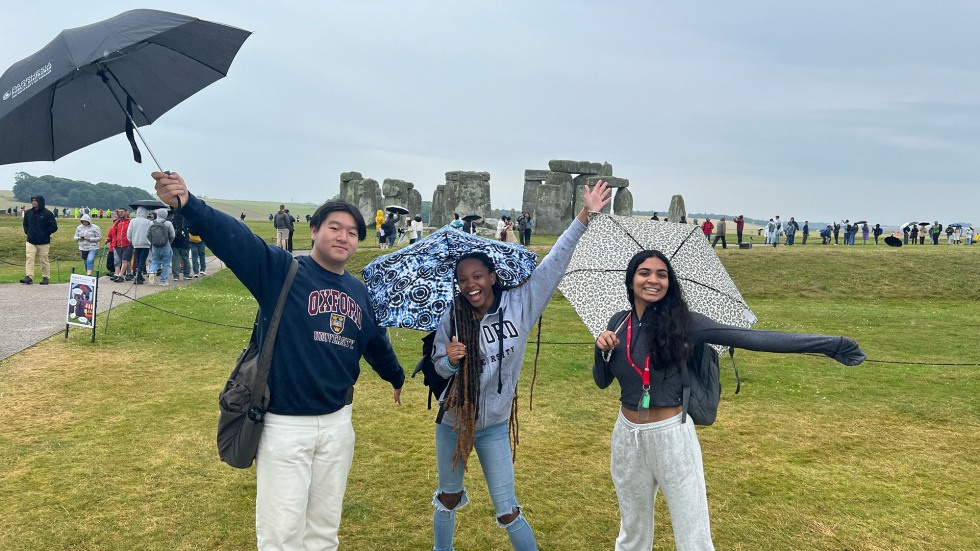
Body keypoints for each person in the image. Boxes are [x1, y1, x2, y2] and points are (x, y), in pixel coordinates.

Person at [152, 170, 404, 551]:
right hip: (286, 425)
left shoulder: (358, 292)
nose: (343, 237)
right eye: (334, 227)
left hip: (337, 425)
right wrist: (190, 205)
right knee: (281, 533)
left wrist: (395, 376)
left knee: (323, 528)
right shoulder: (282, 270)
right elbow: (234, 239)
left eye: (352, 232)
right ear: (315, 230)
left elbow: (374, 341)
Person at [593, 249, 866, 550]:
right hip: (627, 437)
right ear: (631, 280)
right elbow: (602, 381)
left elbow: (751, 338)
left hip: (670, 435)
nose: (653, 280)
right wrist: (601, 349)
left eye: (662, 274)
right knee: (632, 532)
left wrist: (830, 344)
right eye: (644, 273)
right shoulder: (618, 322)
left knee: (693, 535)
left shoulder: (686, 323)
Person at [429, 180, 612, 551]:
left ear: (492, 277)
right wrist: (448, 362)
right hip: (453, 422)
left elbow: (554, 263)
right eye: (463, 280)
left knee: (508, 510)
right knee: (448, 497)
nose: (470, 285)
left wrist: (583, 217)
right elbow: (436, 365)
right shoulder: (452, 315)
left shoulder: (521, 304)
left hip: (494, 425)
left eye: (478, 276)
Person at [21, 195, 58, 285]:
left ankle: (45, 277)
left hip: (43, 241)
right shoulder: (28, 213)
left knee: (43, 259)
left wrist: (45, 233)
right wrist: (28, 232)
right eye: (33, 200)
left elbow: (54, 227)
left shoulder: (48, 213)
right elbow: (25, 224)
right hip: (31, 240)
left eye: (36, 201)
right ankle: (29, 276)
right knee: (29, 257)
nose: (34, 202)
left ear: (40, 202)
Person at [146, 208, 175, 286]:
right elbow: (172, 235)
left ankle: (152, 272)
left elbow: (147, 235)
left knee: (155, 261)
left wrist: (152, 242)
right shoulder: (168, 223)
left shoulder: (151, 223)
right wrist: (169, 242)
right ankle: (163, 281)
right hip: (166, 245)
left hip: (155, 246)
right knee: (166, 263)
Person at [127, 207, 153, 284]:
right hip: (145, 244)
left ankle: (139, 275)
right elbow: (151, 233)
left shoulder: (132, 221)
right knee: (142, 260)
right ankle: (139, 275)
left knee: (138, 260)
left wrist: (132, 241)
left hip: (136, 243)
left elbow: (129, 233)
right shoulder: (148, 222)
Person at [109, 207, 133, 282]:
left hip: (128, 244)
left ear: (126, 212)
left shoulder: (130, 222)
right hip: (118, 244)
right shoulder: (117, 222)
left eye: (122, 212)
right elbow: (113, 233)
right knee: (125, 261)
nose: (121, 213)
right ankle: (129, 273)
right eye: (119, 212)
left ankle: (121, 276)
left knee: (124, 260)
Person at [169, 210, 192, 281]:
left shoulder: (173, 220)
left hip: (175, 242)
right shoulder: (186, 220)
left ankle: (176, 276)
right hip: (184, 242)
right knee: (185, 258)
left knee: (175, 259)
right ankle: (186, 274)